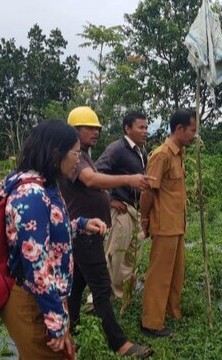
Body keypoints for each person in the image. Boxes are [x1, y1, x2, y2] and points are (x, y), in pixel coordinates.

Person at [0, 120, 107, 359]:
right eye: (75, 153)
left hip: (46, 298)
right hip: (33, 301)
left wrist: (80, 225)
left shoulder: (46, 186)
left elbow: (44, 233)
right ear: (56, 152)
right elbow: (37, 266)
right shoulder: (32, 195)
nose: (78, 159)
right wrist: (56, 323)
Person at [59, 106, 154, 358]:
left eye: (98, 128)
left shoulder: (83, 154)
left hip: (85, 231)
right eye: (89, 127)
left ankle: (72, 331)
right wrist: (129, 180)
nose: (96, 132)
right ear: (74, 131)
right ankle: (119, 343)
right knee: (101, 288)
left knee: (76, 287)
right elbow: (91, 180)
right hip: (82, 233)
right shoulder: (75, 158)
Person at [139, 108, 197, 338]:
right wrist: (144, 219)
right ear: (179, 129)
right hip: (164, 225)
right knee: (159, 275)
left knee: (176, 272)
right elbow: (148, 192)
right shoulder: (161, 155)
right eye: (192, 130)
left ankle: (171, 312)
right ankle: (151, 323)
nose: (195, 135)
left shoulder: (179, 153)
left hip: (177, 224)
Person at [95, 111, 149, 299]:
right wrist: (111, 199)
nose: (145, 131)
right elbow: (96, 174)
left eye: (146, 127)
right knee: (115, 255)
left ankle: (123, 294)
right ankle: (99, 299)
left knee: (131, 255)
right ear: (127, 128)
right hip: (121, 210)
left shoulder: (141, 151)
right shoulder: (116, 149)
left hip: (134, 209)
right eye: (140, 127)